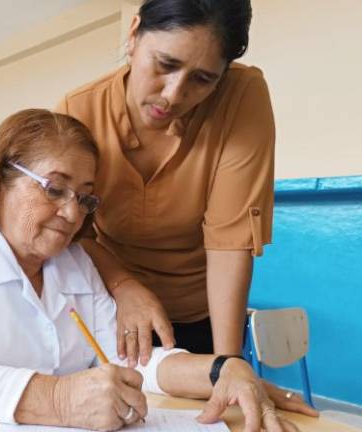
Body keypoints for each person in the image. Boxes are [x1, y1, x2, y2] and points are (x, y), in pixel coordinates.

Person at [0, 109, 299, 432]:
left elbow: (127, 359)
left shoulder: (74, 265)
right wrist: (56, 398)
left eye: (85, 198)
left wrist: (222, 370)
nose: (72, 213)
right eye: (54, 188)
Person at [56, 0, 269, 364]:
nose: (173, 95)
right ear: (134, 34)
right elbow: (76, 233)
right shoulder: (78, 111)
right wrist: (124, 286)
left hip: (199, 313)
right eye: (165, 64)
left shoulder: (241, 95)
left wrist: (227, 363)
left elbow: (230, 240)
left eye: (203, 79)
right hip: (108, 305)